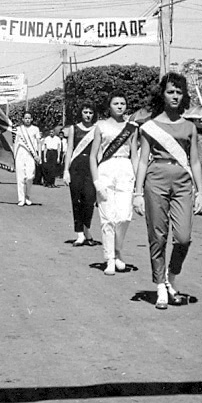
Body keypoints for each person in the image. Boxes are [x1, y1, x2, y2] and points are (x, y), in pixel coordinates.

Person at [134, 73, 202, 310]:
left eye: (179, 92)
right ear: (162, 94)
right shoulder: (150, 127)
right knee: (158, 236)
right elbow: (143, 160)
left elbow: (195, 161)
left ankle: (171, 278)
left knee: (183, 237)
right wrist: (136, 193)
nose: (175, 96)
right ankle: (160, 286)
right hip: (156, 181)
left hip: (183, 183)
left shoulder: (190, 127)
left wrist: (201, 191)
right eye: (170, 91)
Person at [90, 92, 139, 275]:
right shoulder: (101, 126)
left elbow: (135, 154)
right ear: (109, 106)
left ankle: (118, 250)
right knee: (107, 217)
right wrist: (96, 181)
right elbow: (93, 155)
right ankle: (110, 258)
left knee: (124, 215)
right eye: (116, 103)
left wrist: (137, 182)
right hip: (106, 170)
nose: (120, 106)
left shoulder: (132, 127)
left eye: (123, 103)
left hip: (125, 168)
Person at [62, 103, 97, 246]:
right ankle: (80, 233)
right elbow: (69, 149)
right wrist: (66, 170)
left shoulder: (96, 130)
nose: (88, 115)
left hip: (91, 166)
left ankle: (87, 229)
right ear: (81, 113)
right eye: (85, 112)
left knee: (89, 200)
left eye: (90, 112)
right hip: (76, 166)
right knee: (76, 200)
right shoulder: (73, 129)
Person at [13, 112, 41, 206]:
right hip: (20, 154)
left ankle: (27, 196)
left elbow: (38, 142)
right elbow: (15, 142)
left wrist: (39, 154)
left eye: (29, 118)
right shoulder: (18, 129)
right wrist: (14, 155)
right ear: (23, 119)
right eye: (25, 118)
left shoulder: (35, 129)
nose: (27, 120)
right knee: (20, 177)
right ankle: (21, 199)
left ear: (32, 119)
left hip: (31, 155)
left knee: (30, 176)